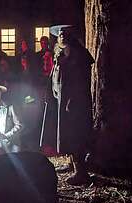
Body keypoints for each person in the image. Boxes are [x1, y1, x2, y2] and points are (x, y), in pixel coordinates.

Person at [50, 25, 94, 185]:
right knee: (67, 133)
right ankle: (71, 163)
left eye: (64, 34)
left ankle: (81, 172)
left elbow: (80, 81)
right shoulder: (60, 53)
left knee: (76, 134)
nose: (61, 37)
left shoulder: (78, 54)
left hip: (75, 102)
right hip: (63, 100)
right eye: (59, 35)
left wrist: (72, 99)